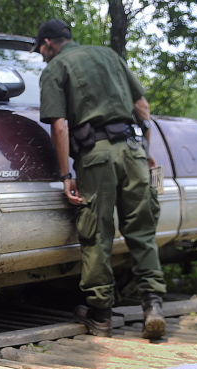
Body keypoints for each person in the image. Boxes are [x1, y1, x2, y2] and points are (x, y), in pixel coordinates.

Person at [33, 18, 166, 340]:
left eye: (40, 49)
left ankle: (101, 316)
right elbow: (142, 107)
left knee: (96, 235)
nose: (41, 55)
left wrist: (66, 174)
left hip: (97, 157)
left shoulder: (55, 68)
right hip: (134, 151)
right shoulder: (109, 55)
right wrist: (145, 150)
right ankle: (153, 306)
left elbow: (60, 126)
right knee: (142, 230)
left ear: (49, 43)